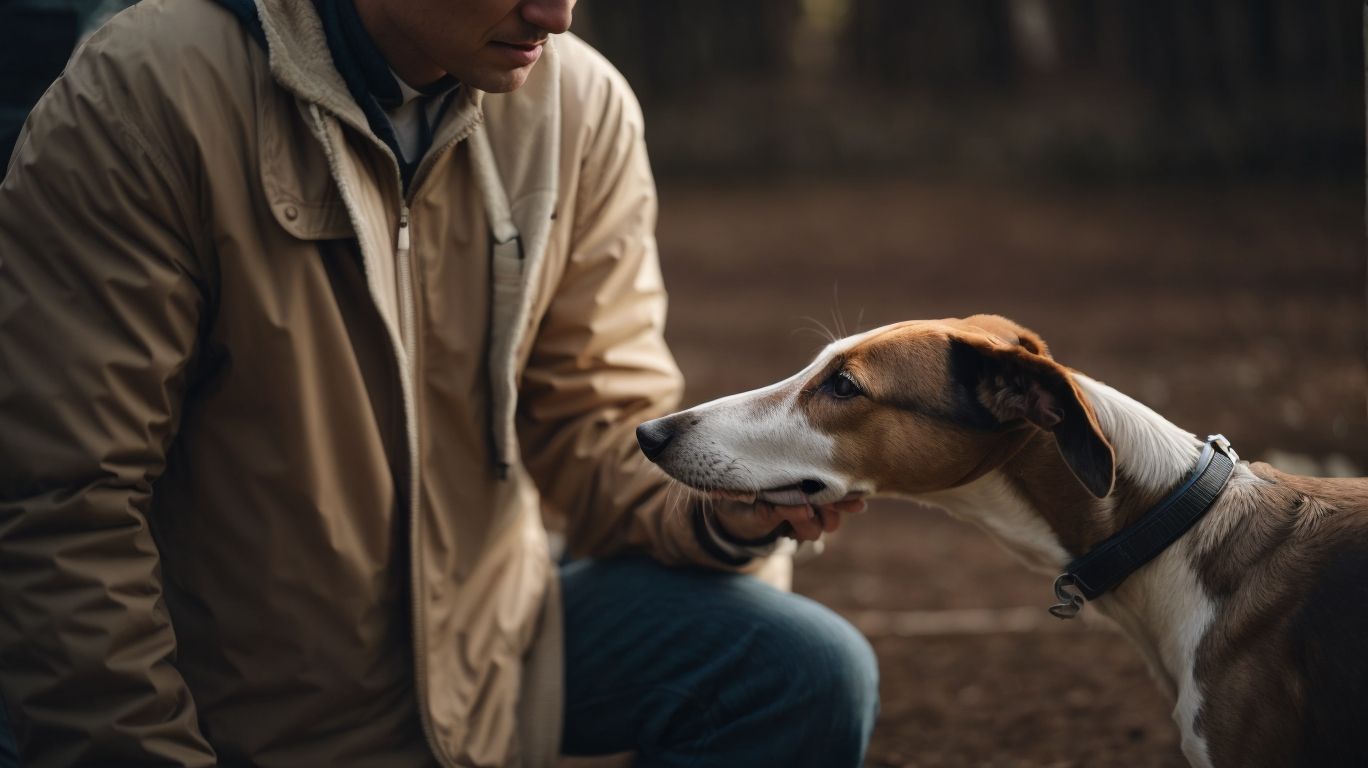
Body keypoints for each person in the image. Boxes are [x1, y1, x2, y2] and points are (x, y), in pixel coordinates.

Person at [0, 0, 879, 765]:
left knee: (801, 673)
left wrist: (721, 512)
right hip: (237, 708)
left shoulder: (579, 104)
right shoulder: (147, 92)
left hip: (494, 662)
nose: (558, 14)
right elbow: (66, 501)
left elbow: (600, 428)